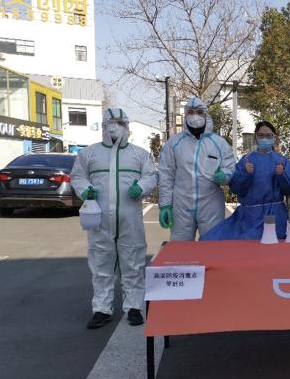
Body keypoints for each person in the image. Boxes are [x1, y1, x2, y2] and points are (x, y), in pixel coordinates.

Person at [71, 108, 158, 329]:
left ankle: (134, 307)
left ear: (127, 126)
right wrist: (85, 189)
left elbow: (151, 176)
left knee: (133, 263)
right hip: (100, 221)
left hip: (130, 220)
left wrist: (142, 187)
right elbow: (78, 176)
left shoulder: (139, 154)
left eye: (120, 122)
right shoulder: (89, 153)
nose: (115, 126)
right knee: (101, 264)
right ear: (103, 125)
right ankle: (102, 309)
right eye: (111, 122)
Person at [201, 121, 290, 240]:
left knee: (271, 248)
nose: (264, 138)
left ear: (274, 137)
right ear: (256, 136)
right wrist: (245, 174)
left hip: (275, 217)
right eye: (261, 135)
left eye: (268, 135)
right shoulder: (246, 160)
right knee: (238, 246)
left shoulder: (281, 161)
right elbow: (235, 188)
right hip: (250, 217)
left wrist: (282, 175)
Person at [158, 97, 236, 241]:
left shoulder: (219, 143)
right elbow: (166, 175)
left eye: (199, 112)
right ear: (185, 115)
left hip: (211, 203)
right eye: (191, 112)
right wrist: (165, 205)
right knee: (181, 248)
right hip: (181, 205)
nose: (195, 116)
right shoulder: (174, 143)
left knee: (212, 245)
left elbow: (230, 166)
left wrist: (224, 175)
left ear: (206, 115)